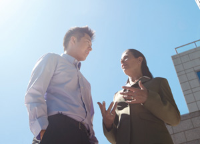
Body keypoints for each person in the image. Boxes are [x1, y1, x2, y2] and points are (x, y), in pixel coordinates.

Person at [25, 26, 98, 144]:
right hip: (57, 129)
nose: (91, 48)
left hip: (82, 137)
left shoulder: (86, 83)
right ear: (73, 40)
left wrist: (92, 140)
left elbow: (89, 117)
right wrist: (41, 128)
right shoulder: (53, 59)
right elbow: (35, 92)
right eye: (87, 42)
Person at [98, 49, 180, 144]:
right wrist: (108, 125)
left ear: (139, 60)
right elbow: (115, 140)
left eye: (126, 57)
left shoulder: (158, 83)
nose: (121, 61)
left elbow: (174, 119)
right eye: (121, 60)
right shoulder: (117, 96)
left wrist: (148, 98)